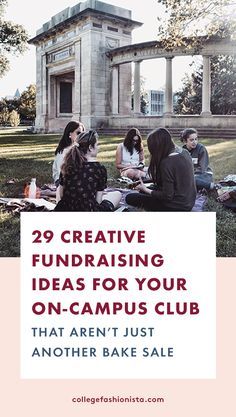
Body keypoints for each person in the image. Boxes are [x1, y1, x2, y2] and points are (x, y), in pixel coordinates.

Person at [126, 128, 196, 211]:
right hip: (189, 201)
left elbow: (167, 196)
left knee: (130, 197)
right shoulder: (184, 152)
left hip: (176, 206)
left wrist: (145, 189)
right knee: (145, 191)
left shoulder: (166, 163)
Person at [54, 130, 121, 212]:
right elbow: (98, 201)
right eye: (97, 145)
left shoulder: (67, 165)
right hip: (88, 210)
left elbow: (61, 195)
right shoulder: (99, 169)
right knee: (117, 194)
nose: (98, 147)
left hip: (65, 209)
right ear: (90, 147)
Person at [52, 121, 85, 186]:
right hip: (63, 182)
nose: (81, 136)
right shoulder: (64, 151)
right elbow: (61, 172)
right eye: (78, 133)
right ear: (70, 134)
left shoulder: (80, 148)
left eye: (83, 133)